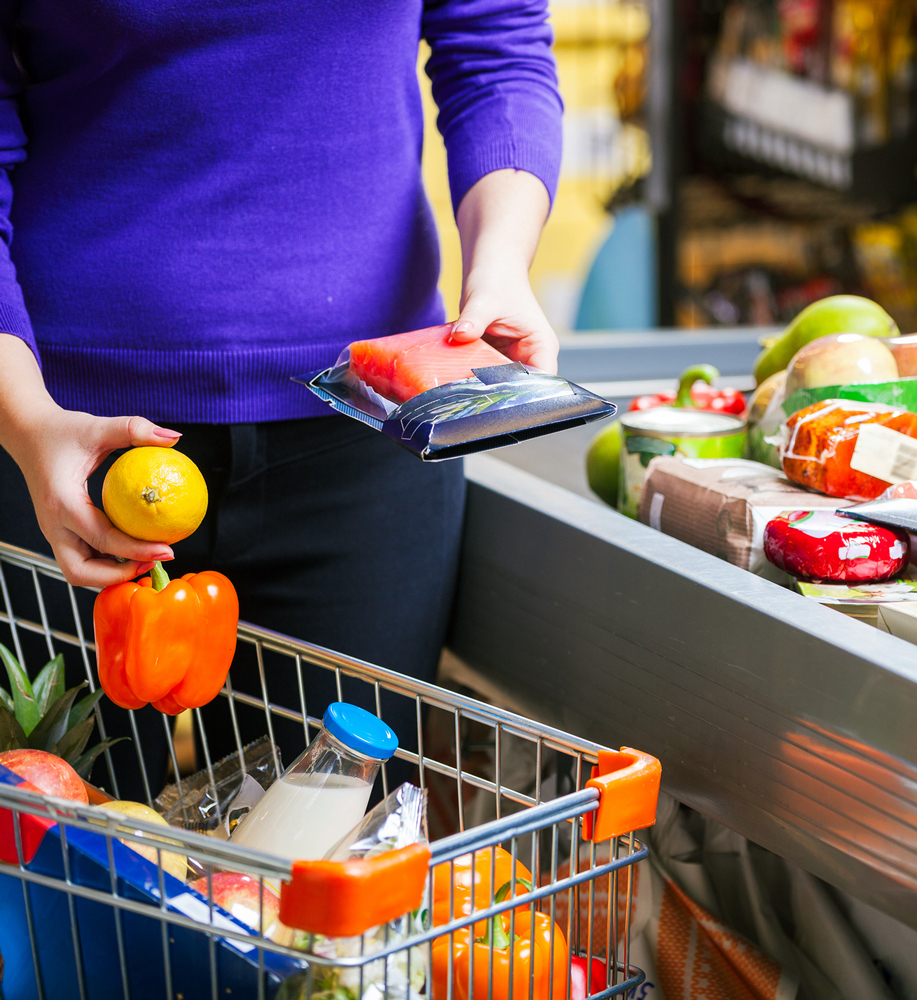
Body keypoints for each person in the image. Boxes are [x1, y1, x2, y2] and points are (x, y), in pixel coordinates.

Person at [0, 2, 563, 801]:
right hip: (61, 437)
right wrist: (24, 419)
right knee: (54, 878)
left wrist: (500, 265)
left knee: (325, 868)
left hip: (367, 433)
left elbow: (494, 46)